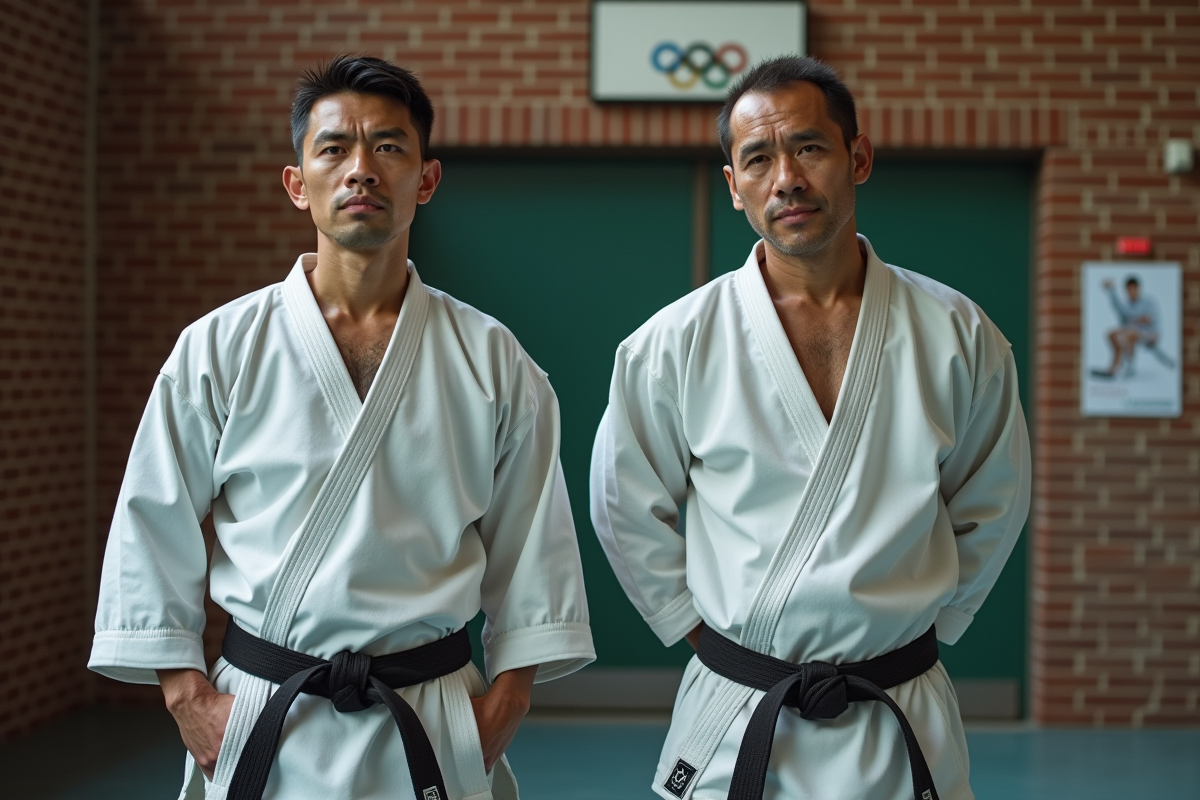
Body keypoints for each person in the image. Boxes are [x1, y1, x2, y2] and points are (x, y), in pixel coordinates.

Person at [89, 55, 594, 800]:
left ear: (426, 180)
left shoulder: (492, 358)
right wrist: (186, 696)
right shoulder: (219, 347)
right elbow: (150, 522)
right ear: (299, 185)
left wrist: (506, 701)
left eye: (389, 147)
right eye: (334, 149)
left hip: (427, 711)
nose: (361, 169)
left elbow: (534, 542)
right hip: (266, 710)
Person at [590, 56, 1030, 800]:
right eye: (757, 158)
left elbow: (995, 498)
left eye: (810, 148)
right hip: (741, 707)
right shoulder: (673, 343)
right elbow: (625, 505)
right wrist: (710, 638)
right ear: (734, 187)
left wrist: (924, 628)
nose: (786, 177)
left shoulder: (956, 333)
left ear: (858, 158)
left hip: (898, 708)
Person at [1093, 276, 1166, 378]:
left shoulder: (1148, 302)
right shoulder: (1127, 305)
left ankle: (1130, 365)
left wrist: (1133, 321)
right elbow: (1118, 306)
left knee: (1130, 332)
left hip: (1148, 335)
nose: (1131, 292)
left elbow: (1149, 319)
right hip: (1129, 332)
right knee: (1112, 334)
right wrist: (1111, 290)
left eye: (1133, 289)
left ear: (1138, 289)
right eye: (1129, 289)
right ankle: (1113, 369)